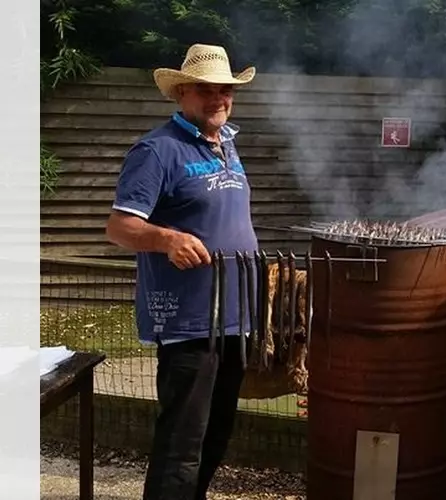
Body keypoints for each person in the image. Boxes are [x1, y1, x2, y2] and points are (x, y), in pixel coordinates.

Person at [105, 43, 258, 500]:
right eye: (206, 90)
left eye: (225, 90)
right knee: (182, 443)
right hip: (188, 323)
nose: (219, 99)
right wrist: (167, 239)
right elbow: (119, 227)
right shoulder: (157, 151)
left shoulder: (226, 145)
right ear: (181, 94)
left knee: (216, 435)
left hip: (233, 320)